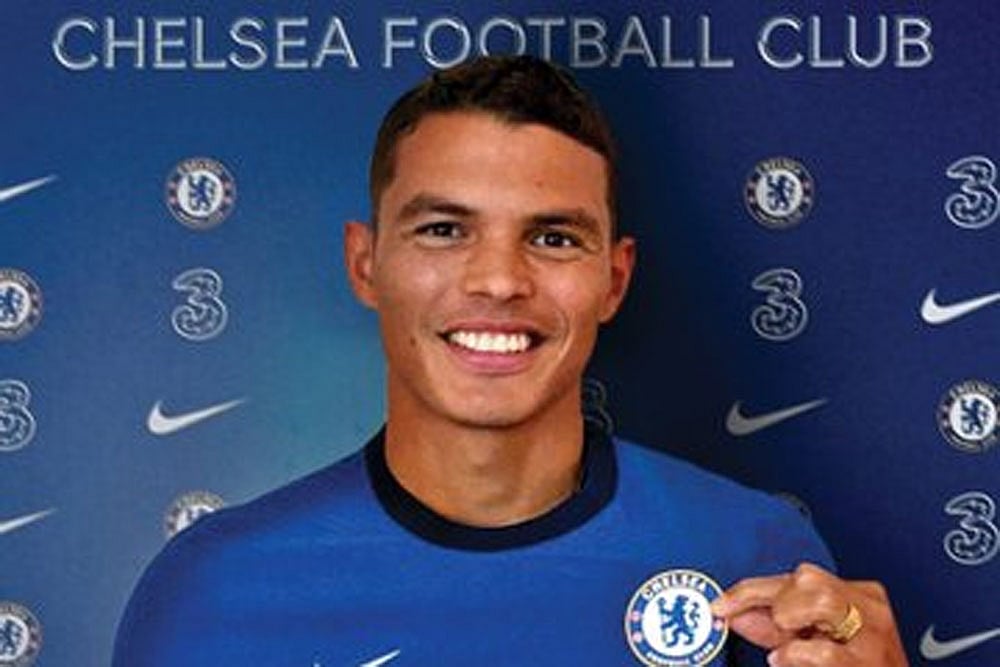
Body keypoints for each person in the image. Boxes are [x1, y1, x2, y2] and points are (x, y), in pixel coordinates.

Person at [113, 55, 908, 666]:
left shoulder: (753, 555)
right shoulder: (216, 588)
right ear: (365, 263)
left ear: (614, 279)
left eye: (553, 237)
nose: (499, 280)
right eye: (443, 230)